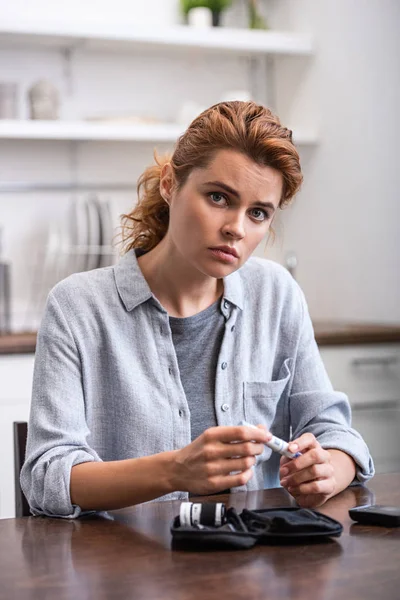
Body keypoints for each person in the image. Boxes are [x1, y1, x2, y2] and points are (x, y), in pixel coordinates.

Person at [21, 101, 374, 519]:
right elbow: (48, 476)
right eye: (219, 197)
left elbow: (336, 433)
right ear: (170, 183)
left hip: (253, 567)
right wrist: (174, 471)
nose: (236, 229)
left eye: (258, 213)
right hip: (124, 569)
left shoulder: (277, 294)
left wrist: (327, 470)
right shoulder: (77, 306)